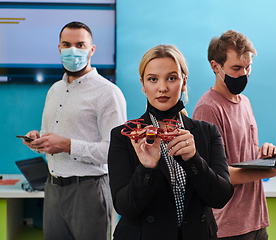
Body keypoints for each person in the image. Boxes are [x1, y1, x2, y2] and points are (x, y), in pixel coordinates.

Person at [192, 30, 276, 240]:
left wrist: (264, 154)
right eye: (237, 68)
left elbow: (238, 156)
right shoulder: (208, 109)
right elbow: (217, 175)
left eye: (248, 67)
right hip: (228, 227)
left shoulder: (244, 102)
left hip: (256, 220)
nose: (244, 74)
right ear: (216, 66)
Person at [108, 44, 234, 240]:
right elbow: (125, 207)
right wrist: (147, 169)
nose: (163, 88)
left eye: (172, 78)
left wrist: (193, 159)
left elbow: (221, 197)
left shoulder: (207, 132)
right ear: (143, 84)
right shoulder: (125, 136)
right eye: (153, 79)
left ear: (184, 82)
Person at [22, 21, 127, 240]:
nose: (73, 50)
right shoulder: (54, 90)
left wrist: (67, 145)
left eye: (80, 45)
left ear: (92, 49)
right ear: (59, 48)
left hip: (88, 191)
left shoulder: (108, 93)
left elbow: (114, 152)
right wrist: (38, 140)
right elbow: (50, 139)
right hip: (52, 190)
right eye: (67, 44)